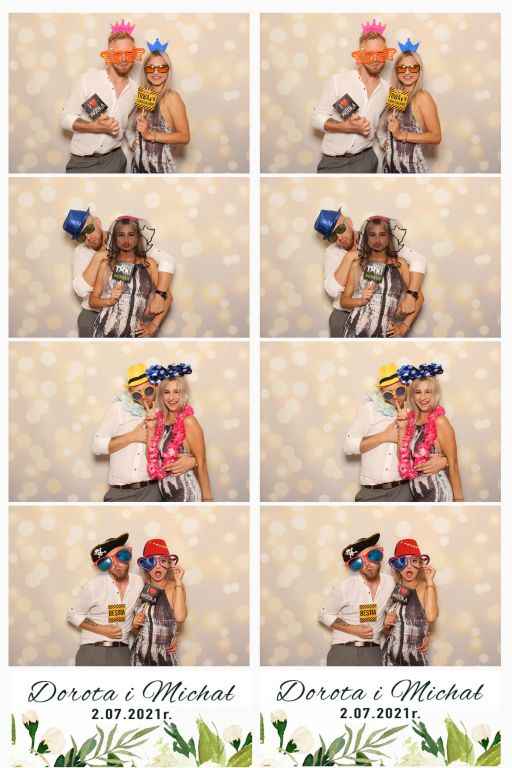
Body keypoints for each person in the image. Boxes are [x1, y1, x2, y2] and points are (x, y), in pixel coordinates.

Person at [344, 363, 449, 502]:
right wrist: (383, 437)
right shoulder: (370, 409)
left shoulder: (415, 415)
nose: (395, 397)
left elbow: (425, 451)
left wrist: (445, 461)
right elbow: (348, 446)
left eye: (399, 391)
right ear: (381, 392)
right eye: (388, 393)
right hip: (371, 492)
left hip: (404, 491)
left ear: (406, 386)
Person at [92, 363, 197, 502]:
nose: (144, 397)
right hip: (120, 492)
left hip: (153, 491)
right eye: (137, 393)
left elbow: (174, 449)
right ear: (130, 392)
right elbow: (97, 446)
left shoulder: (164, 413)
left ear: (155, 386)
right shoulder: (119, 409)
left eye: (147, 390)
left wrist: (194, 461)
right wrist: (131, 437)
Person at [63, 208, 174, 337]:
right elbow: (81, 291)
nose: (88, 238)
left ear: (97, 222)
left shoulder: (132, 244)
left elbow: (167, 260)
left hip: (130, 321)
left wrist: (159, 297)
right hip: (93, 315)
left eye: (89, 229)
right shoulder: (82, 252)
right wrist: (98, 257)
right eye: (81, 236)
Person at [314, 208, 426, 337]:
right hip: (344, 315)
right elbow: (333, 291)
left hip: (380, 320)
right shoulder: (332, 252)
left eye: (340, 229)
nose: (339, 238)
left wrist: (411, 296)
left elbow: (418, 260)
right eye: (333, 236)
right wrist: (349, 257)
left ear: (348, 222)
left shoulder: (378, 239)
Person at [312, 20, 394, 173]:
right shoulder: (337, 81)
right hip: (333, 162)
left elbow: (380, 129)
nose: (375, 59)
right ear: (360, 55)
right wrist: (344, 127)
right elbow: (317, 119)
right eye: (369, 54)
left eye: (380, 54)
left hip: (366, 161)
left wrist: (392, 146)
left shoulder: (388, 91)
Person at [60, 20, 143, 173]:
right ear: (109, 55)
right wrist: (94, 126)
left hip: (115, 161)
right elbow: (65, 118)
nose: (123, 59)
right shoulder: (86, 81)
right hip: (82, 162)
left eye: (129, 54)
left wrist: (138, 144)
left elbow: (129, 128)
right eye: (117, 54)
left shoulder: (137, 90)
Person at [317, 533, 395, 665]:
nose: (367, 564)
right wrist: (353, 629)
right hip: (344, 650)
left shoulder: (391, 583)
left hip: (374, 653)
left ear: (379, 556)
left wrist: (423, 635)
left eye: (372, 556)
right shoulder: (344, 587)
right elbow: (324, 614)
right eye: (359, 561)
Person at [65, 533, 142, 666]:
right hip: (93, 649)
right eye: (108, 562)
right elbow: (72, 614)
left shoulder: (140, 583)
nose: (116, 564)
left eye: (121, 556)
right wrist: (102, 629)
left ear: (129, 554)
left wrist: (170, 636)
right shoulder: (93, 586)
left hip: (122, 652)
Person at [340, 216, 423, 337]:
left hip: (385, 334)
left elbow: (419, 298)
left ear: (389, 237)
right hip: (354, 331)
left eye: (382, 234)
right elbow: (343, 301)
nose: (377, 240)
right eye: (372, 235)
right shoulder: (358, 264)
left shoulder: (400, 265)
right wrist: (360, 300)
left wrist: (404, 326)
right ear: (366, 238)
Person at [144, 364, 213, 502]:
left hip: (187, 494)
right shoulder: (160, 421)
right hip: (166, 496)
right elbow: (151, 458)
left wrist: (207, 501)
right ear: (161, 395)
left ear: (184, 393)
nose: (172, 397)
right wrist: (151, 429)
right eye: (167, 392)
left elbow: (202, 463)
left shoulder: (189, 421)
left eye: (177, 392)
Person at [396, 364, 464, 502]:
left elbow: (453, 463)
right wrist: (402, 428)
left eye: (428, 392)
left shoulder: (440, 421)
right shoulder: (411, 422)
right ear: (412, 395)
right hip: (416, 495)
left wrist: (459, 500)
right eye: (418, 392)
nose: (423, 397)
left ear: (435, 394)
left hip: (438, 493)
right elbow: (402, 459)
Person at [90, 217, 166, 337]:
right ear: (115, 238)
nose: (126, 240)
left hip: (134, 333)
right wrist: (109, 300)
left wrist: (153, 326)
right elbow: (92, 301)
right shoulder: (107, 264)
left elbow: (167, 297)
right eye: (121, 235)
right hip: (103, 331)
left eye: (131, 234)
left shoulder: (148, 264)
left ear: (138, 237)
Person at [380, 40, 441, 173]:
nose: (407, 72)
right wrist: (386, 141)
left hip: (411, 170)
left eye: (413, 68)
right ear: (396, 71)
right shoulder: (396, 94)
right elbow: (386, 127)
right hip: (388, 168)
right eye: (402, 68)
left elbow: (436, 136)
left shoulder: (422, 97)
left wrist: (402, 135)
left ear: (419, 70)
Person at [132, 39, 190, 173]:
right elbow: (134, 128)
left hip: (160, 170)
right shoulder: (144, 95)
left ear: (168, 70)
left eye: (162, 67)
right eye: (150, 68)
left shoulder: (171, 97)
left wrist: (150, 135)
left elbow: (184, 136)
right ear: (145, 71)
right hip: (137, 169)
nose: (156, 72)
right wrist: (135, 141)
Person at [382, 538, 438, 666]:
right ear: (396, 565)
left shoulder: (426, 586)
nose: (409, 566)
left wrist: (430, 581)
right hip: (389, 658)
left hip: (415, 658)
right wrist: (385, 625)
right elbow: (389, 632)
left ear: (420, 564)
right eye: (403, 561)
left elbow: (431, 617)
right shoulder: (393, 588)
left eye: (414, 561)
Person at [131, 539, 187, 666]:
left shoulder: (175, 587)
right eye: (152, 561)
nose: (157, 566)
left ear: (169, 564)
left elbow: (180, 617)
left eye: (163, 561)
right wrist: (134, 625)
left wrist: (179, 582)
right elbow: (136, 632)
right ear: (145, 565)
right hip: (138, 659)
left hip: (164, 659)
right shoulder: (140, 588)